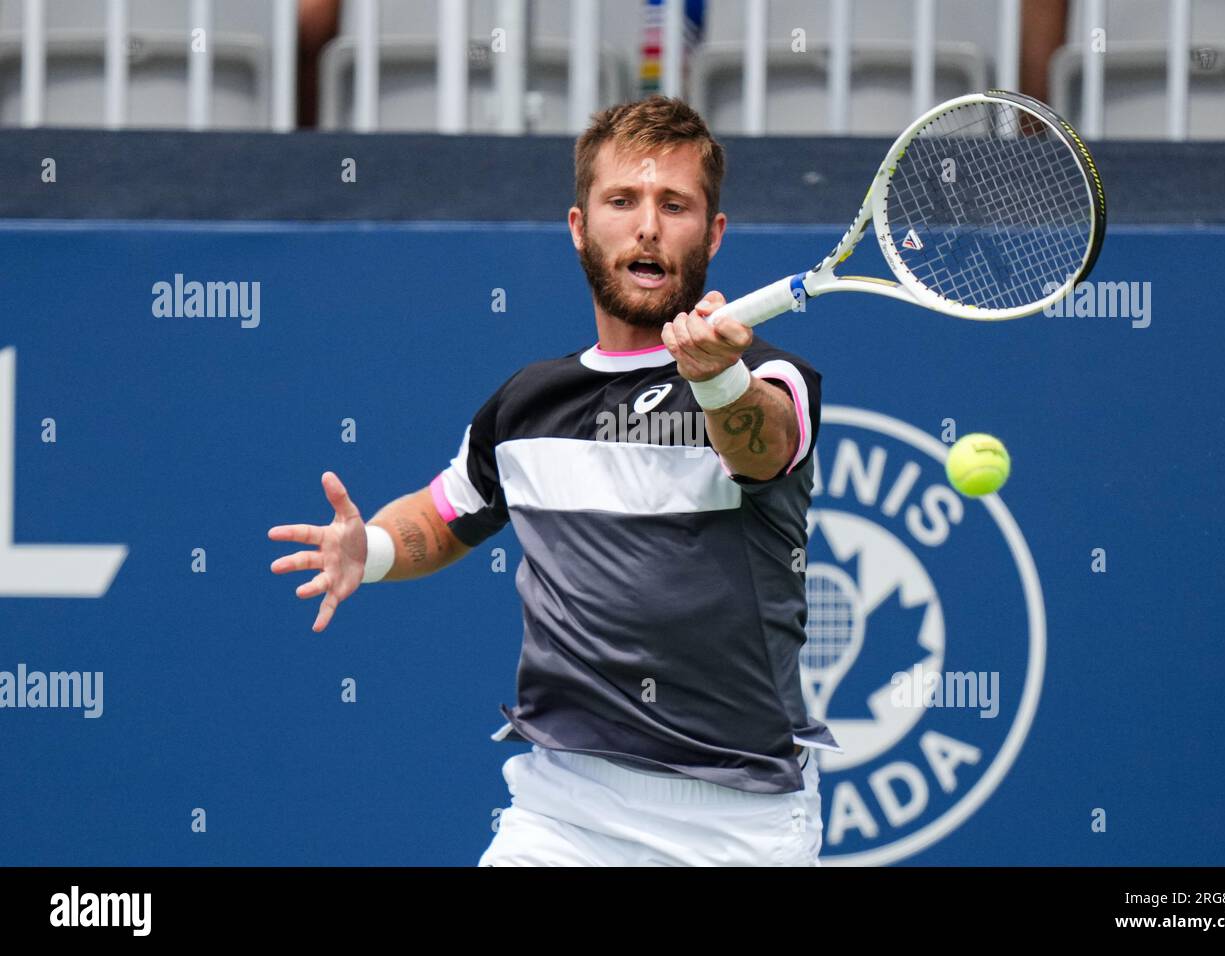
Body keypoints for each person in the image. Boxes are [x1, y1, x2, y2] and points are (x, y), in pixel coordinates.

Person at [268, 95, 840, 866]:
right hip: (563, 813)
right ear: (580, 228)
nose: (647, 226)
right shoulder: (526, 404)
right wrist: (366, 549)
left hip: (741, 826)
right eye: (622, 201)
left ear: (712, 233)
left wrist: (716, 381)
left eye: (674, 205)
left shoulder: (768, 378)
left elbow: (761, 450)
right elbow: (445, 517)